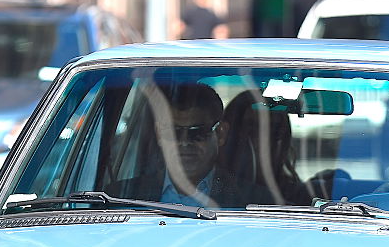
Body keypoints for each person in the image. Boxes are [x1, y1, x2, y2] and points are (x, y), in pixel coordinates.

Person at [118, 83, 269, 208]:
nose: (184, 142)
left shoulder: (255, 202)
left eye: (197, 132)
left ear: (221, 133)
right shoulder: (119, 197)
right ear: (159, 134)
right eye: (174, 132)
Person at [219, 89, 301, 204]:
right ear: (224, 136)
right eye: (251, 129)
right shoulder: (210, 188)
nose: (263, 139)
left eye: (275, 130)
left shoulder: (299, 196)